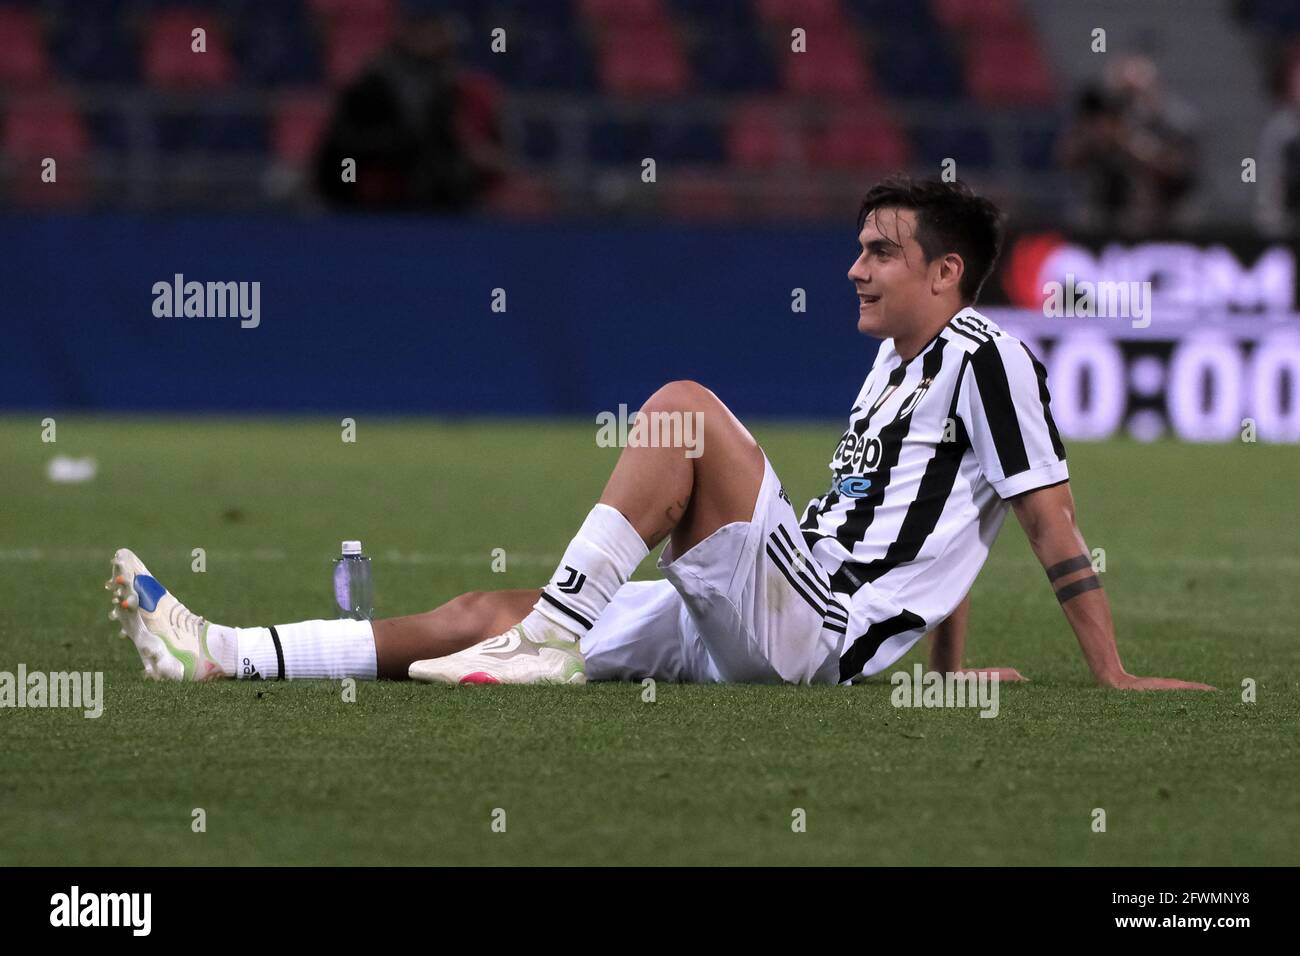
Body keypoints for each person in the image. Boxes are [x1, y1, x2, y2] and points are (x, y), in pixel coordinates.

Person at [106, 177, 1213, 693]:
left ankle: (548, 635)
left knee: (681, 402)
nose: (853, 266)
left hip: (806, 627)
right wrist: (949, 673)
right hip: (773, 618)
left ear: (944, 273)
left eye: (878, 249)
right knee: (481, 612)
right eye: (857, 245)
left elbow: (1044, 517)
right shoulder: (892, 363)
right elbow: (934, 529)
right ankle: (220, 652)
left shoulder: (989, 356)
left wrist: (1110, 674)